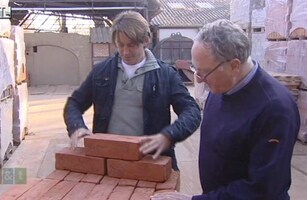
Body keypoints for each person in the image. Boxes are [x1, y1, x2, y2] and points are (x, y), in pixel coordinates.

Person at [152, 19, 300, 199]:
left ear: (234, 66)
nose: (198, 80)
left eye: (204, 72)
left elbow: (263, 190)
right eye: (196, 70)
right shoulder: (220, 87)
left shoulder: (274, 109)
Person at [63, 10, 201, 170]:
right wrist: (76, 127)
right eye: (120, 45)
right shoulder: (101, 72)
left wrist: (169, 135)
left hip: (151, 160)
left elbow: (192, 111)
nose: (125, 52)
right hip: (107, 158)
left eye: (132, 45)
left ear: (146, 40)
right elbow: (74, 103)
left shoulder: (166, 75)